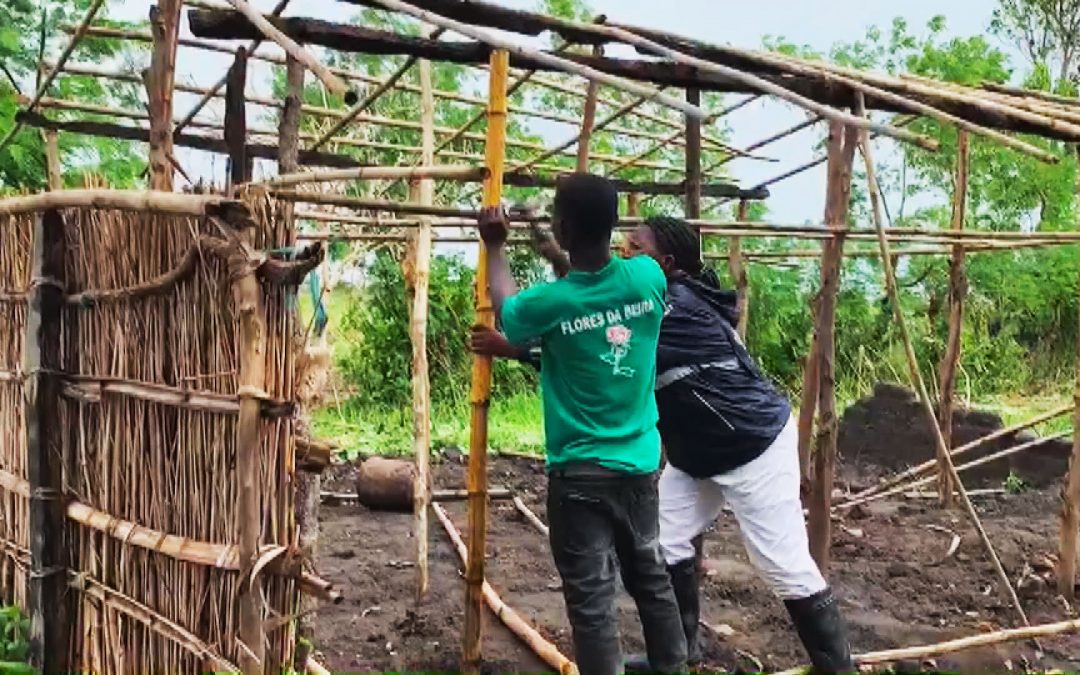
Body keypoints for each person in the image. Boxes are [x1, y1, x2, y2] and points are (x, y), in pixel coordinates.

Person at [473, 215, 854, 674]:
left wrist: (515, 348)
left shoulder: (671, 307)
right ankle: (682, 651)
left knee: (783, 564)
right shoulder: (654, 295)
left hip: (753, 447)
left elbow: (594, 348)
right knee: (664, 545)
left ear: (666, 264)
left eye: (634, 249)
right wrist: (558, 257)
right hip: (698, 454)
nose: (624, 256)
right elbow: (594, 313)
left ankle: (839, 669)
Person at [475, 173, 687, 675]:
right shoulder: (648, 279)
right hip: (639, 467)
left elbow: (509, 310)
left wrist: (495, 247)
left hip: (579, 474)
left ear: (563, 229)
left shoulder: (550, 304)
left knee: (592, 598)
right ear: (613, 226)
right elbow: (596, 297)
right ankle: (675, 667)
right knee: (651, 576)